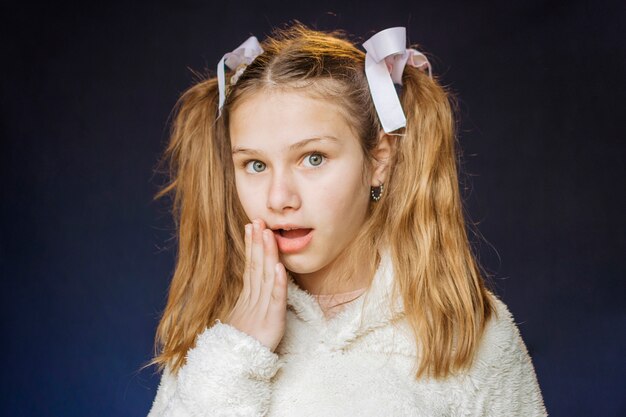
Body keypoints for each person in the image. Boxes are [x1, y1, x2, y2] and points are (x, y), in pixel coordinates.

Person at [145, 23, 547, 416]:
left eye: (313, 158)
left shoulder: (463, 330)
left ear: (379, 159)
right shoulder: (217, 333)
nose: (279, 198)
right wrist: (238, 349)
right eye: (254, 164)